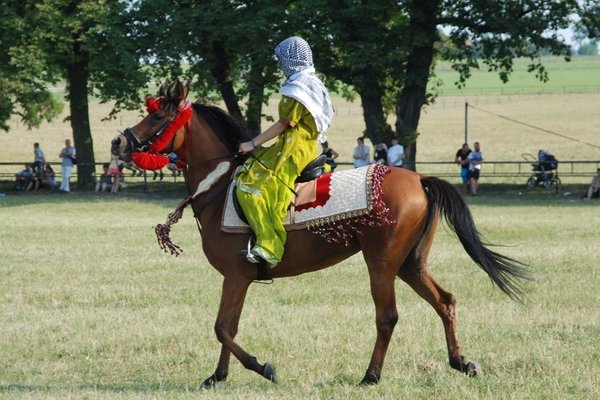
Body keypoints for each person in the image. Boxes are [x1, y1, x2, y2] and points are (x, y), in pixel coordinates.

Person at [235, 36, 333, 266]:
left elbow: (284, 123)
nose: (280, 65)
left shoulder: (298, 88)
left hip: (293, 148)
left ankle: (269, 246)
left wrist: (253, 144)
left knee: (251, 188)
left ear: (291, 60)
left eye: (282, 60)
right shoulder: (311, 82)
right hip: (306, 145)